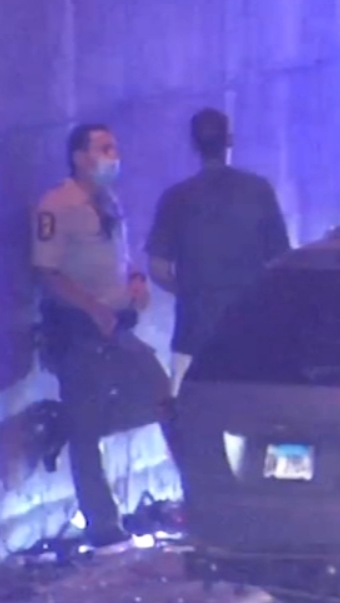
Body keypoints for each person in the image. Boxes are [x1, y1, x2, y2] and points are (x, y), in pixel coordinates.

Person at [33, 123, 174, 551]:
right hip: (79, 331)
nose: (114, 155)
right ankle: (103, 526)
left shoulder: (108, 201)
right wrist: (92, 309)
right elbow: (47, 271)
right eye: (104, 148)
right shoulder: (58, 205)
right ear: (79, 156)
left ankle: (66, 427)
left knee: (160, 396)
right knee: (86, 430)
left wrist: (135, 282)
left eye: (114, 147)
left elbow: (120, 257)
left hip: (117, 325)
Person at [146, 109, 292, 394]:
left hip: (193, 333)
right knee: (252, 423)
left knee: (195, 425)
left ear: (192, 144)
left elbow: (158, 268)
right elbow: (280, 261)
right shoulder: (258, 191)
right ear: (230, 140)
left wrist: (191, 289)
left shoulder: (176, 198)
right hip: (250, 332)